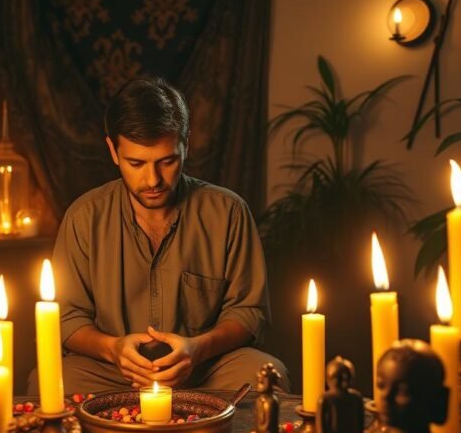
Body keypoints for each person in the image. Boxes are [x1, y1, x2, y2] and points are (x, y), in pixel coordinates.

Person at [27, 76, 288, 394]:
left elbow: (249, 313)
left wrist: (197, 349)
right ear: (113, 150)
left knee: (265, 374)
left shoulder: (229, 212)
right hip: (112, 372)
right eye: (136, 163)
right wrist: (113, 349)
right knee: (47, 381)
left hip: (205, 369)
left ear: (186, 145)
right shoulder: (84, 217)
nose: (153, 180)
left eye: (167, 161)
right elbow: (66, 317)